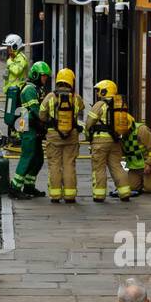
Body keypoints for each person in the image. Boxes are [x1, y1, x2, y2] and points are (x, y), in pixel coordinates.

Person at [39, 68, 84, 204]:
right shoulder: (76, 98)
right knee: (69, 164)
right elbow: (81, 109)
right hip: (72, 135)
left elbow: (41, 114)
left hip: (53, 135)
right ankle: (70, 195)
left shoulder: (50, 97)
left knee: (54, 165)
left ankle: (55, 195)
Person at [85, 79, 133, 204]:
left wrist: (88, 136)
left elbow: (89, 123)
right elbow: (128, 122)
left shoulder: (99, 105)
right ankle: (125, 193)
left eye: (99, 90)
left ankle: (99, 195)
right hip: (115, 141)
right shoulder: (119, 104)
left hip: (100, 141)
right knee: (117, 166)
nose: (97, 93)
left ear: (105, 90)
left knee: (99, 167)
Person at [9, 61, 51, 198]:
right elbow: (35, 110)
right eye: (43, 76)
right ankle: (15, 187)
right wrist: (48, 122)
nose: (45, 79)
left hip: (34, 127)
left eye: (46, 76)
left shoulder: (39, 89)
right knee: (27, 156)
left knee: (38, 158)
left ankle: (29, 186)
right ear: (35, 75)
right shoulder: (29, 90)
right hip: (27, 127)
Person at [2, 35, 28, 152]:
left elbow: (17, 71)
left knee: (19, 114)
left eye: (8, 47)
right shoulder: (12, 59)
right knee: (10, 114)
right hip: (11, 92)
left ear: (15, 46)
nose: (7, 50)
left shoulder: (21, 58)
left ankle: (20, 135)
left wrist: (9, 62)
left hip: (19, 91)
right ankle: (13, 134)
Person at [124, 120, 151, 195]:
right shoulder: (121, 134)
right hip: (134, 167)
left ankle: (148, 180)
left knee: (150, 189)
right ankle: (141, 181)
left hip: (147, 166)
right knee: (132, 188)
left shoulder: (141, 130)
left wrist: (149, 163)